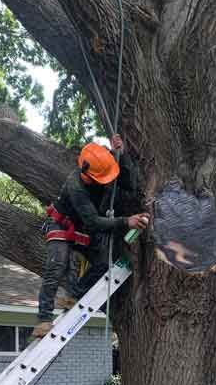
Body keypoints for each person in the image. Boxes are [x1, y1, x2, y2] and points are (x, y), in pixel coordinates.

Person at [32, 133, 149, 338]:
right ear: (88, 174)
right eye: (102, 179)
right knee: (57, 264)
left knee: (104, 262)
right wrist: (126, 221)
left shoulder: (104, 168)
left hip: (84, 230)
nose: (108, 181)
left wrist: (122, 154)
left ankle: (76, 294)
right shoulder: (75, 185)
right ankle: (43, 318)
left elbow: (129, 183)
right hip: (62, 225)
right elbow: (94, 221)